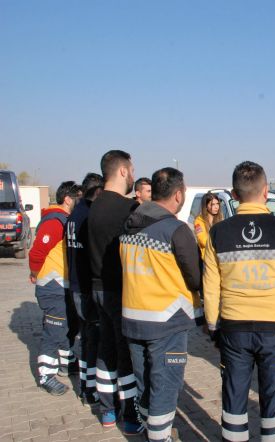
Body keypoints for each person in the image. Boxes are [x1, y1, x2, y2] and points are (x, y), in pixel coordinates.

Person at [204, 161, 275, 442]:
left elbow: (210, 286)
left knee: (234, 397)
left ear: (234, 195)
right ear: (266, 191)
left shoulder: (218, 232)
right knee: (274, 398)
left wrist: (212, 326)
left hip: (233, 328)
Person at [120, 167, 202, 442]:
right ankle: (159, 436)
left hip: (133, 318)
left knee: (144, 382)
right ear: (178, 195)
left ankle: (147, 426)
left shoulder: (129, 224)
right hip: (167, 322)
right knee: (165, 384)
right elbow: (195, 277)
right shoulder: (176, 230)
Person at [87, 150, 142, 434]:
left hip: (97, 289)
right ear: (122, 171)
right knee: (125, 354)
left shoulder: (93, 206)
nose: (133, 175)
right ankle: (131, 416)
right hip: (120, 292)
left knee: (105, 349)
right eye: (132, 170)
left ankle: (107, 411)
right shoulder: (127, 209)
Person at [29, 181, 82, 395]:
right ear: (68, 199)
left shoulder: (65, 220)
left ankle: (66, 362)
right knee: (54, 330)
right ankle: (46, 374)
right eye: (78, 197)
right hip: (52, 286)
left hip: (62, 284)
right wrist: (35, 274)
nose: (80, 201)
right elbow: (37, 253)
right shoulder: (54, 222)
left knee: (66, 326)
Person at [65, 172, 104, 405]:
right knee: (93, 338)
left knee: (87, 337)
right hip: (87, 287)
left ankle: (86, 385)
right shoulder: (89, 216)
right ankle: (90, 389)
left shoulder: (73, 215)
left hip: (76, 285)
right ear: (98, 191)